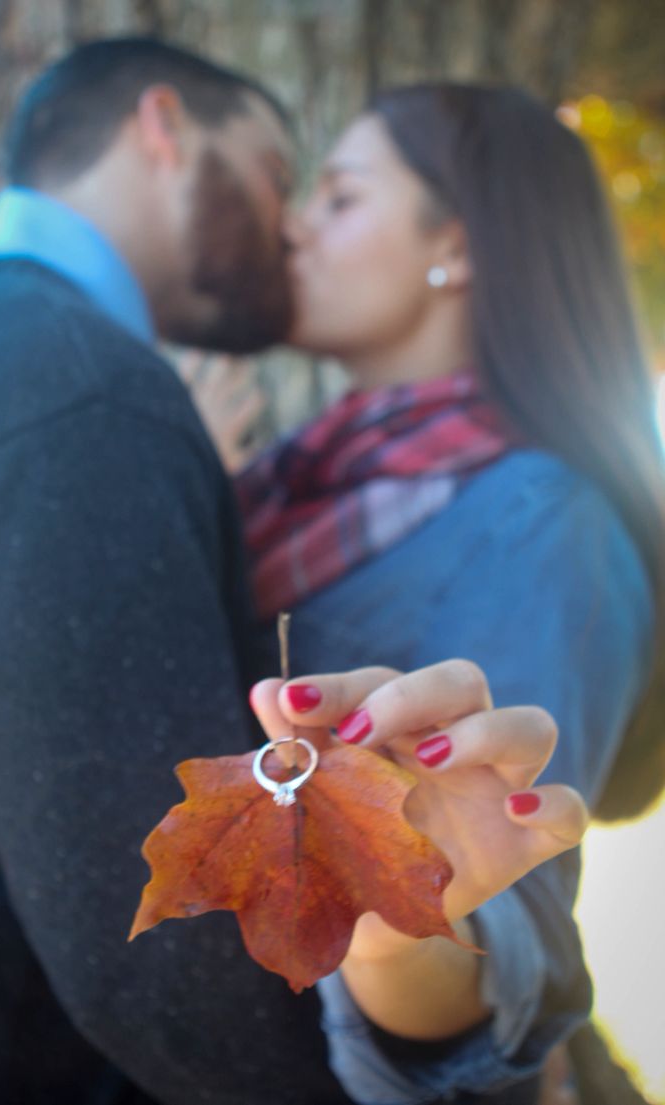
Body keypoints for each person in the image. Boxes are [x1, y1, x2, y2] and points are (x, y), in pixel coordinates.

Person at [0, 40, 587, 1105]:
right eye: (285, 175)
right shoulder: (76, 387)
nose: (287, 227)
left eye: (334, 195)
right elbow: (160, 963)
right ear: (162, 127)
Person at [228, 83, 665, 1104]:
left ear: (455, 248)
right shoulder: (293, 482)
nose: (293, 228)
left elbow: (503, 945)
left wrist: (390, 934)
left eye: (339, 198)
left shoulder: (544, 521)